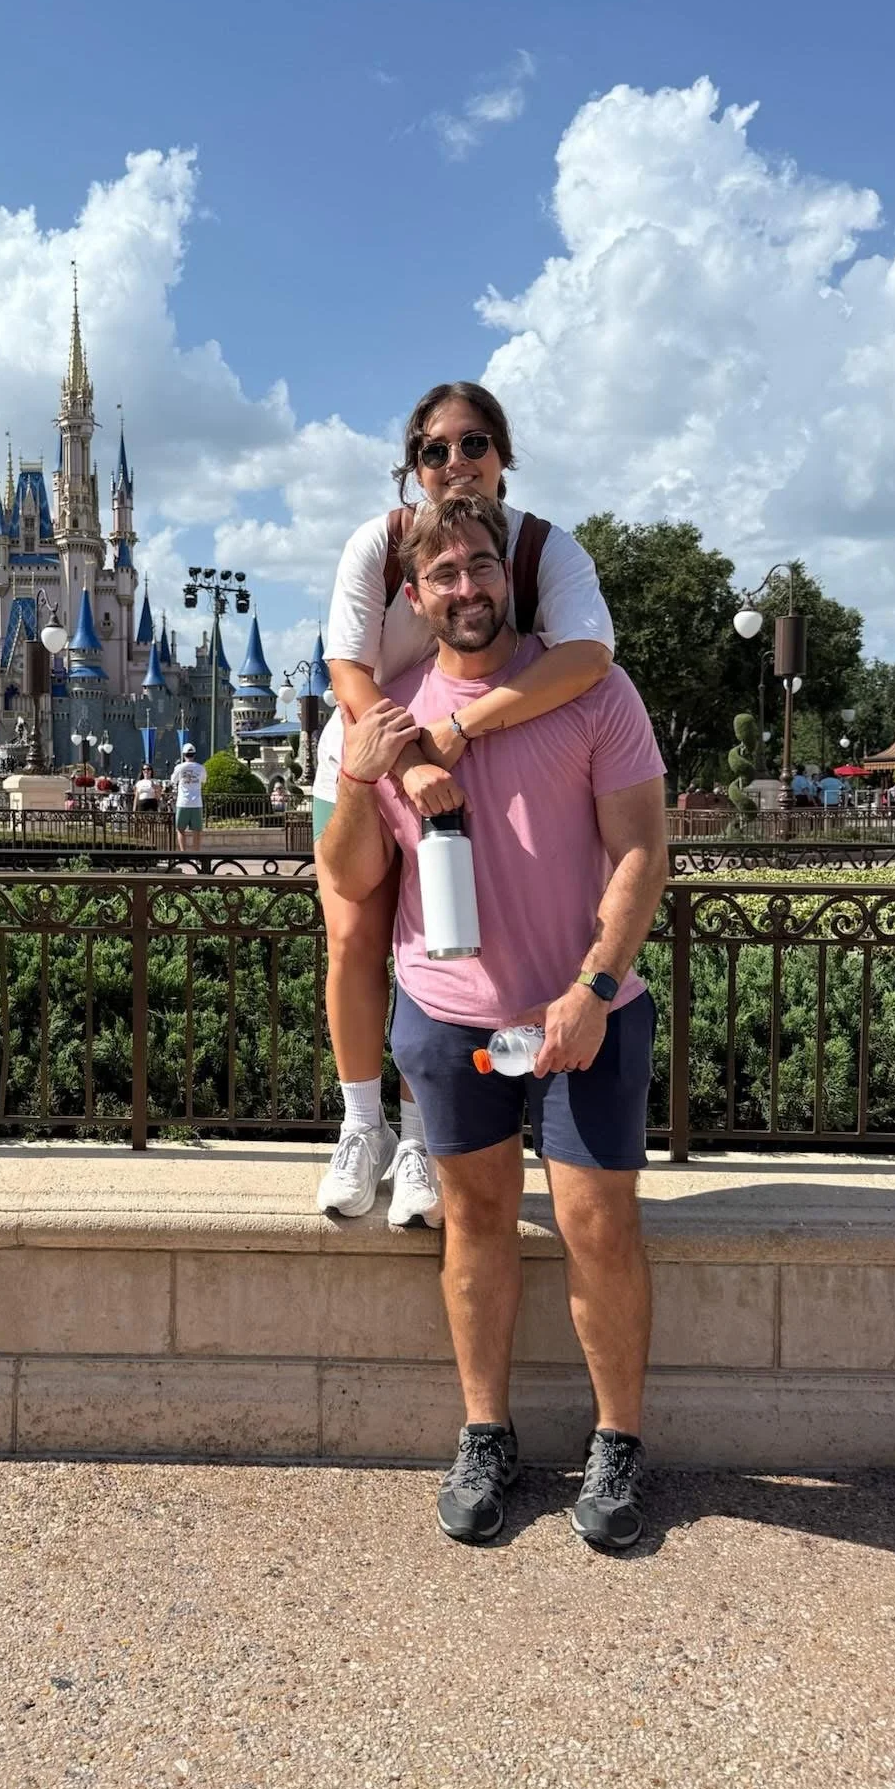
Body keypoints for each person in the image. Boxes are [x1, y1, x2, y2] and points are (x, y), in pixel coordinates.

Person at [320, 491, 668, 1550]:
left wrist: (594, 989)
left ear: (504, 578)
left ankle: (617, 1441)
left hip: (584, 1018)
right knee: (472, 1223)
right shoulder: (391, 718)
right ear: (415, 599)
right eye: (443, 575)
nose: (466, 587)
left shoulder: (592, 694)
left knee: (596, 1224)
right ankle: (486, 1431)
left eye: (481, 565)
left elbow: (642, 852)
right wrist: (358, 775)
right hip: (454, 1016)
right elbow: (350, 876)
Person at [316, 381, 615, 1229]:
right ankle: (363, 1124)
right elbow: (348, 673)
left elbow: (589, 655)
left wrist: (462, 728)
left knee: (441, 947)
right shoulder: (379, 546)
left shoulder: (537, 551)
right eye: (435, 449)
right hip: (369, 759)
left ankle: (421, 1137)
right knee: (356, 935)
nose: (455, 463)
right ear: (413, 467)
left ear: (504, 457)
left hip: (471, 760)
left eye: (474, 443)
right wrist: (404, 764)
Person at [170, 743, 207, 853]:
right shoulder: (201, 768)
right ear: (194, 754)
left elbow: (173, 780)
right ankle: (196, 855)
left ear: (184, 755)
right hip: (196, 803)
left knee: (180, 830)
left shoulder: (179, 767)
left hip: (183, 803)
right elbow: (204, 780)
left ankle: (183, 854)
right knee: (197, 831)